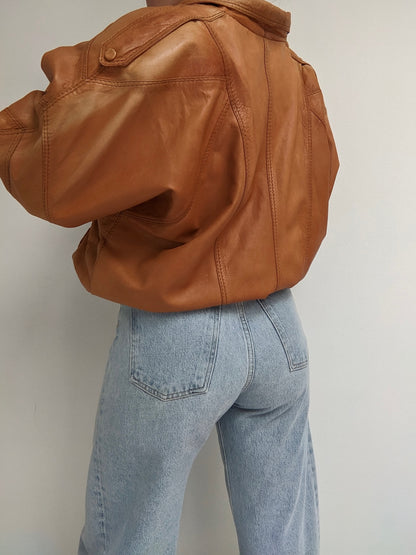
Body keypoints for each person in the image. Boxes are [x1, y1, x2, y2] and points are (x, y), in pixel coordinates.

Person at [0, 0, 340, 552]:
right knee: (286, 542)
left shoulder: (172, 40)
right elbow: (317, 189)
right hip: (279, 328)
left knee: (128, 541)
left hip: (182, 333)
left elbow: (49, 164)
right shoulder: (290, 62)